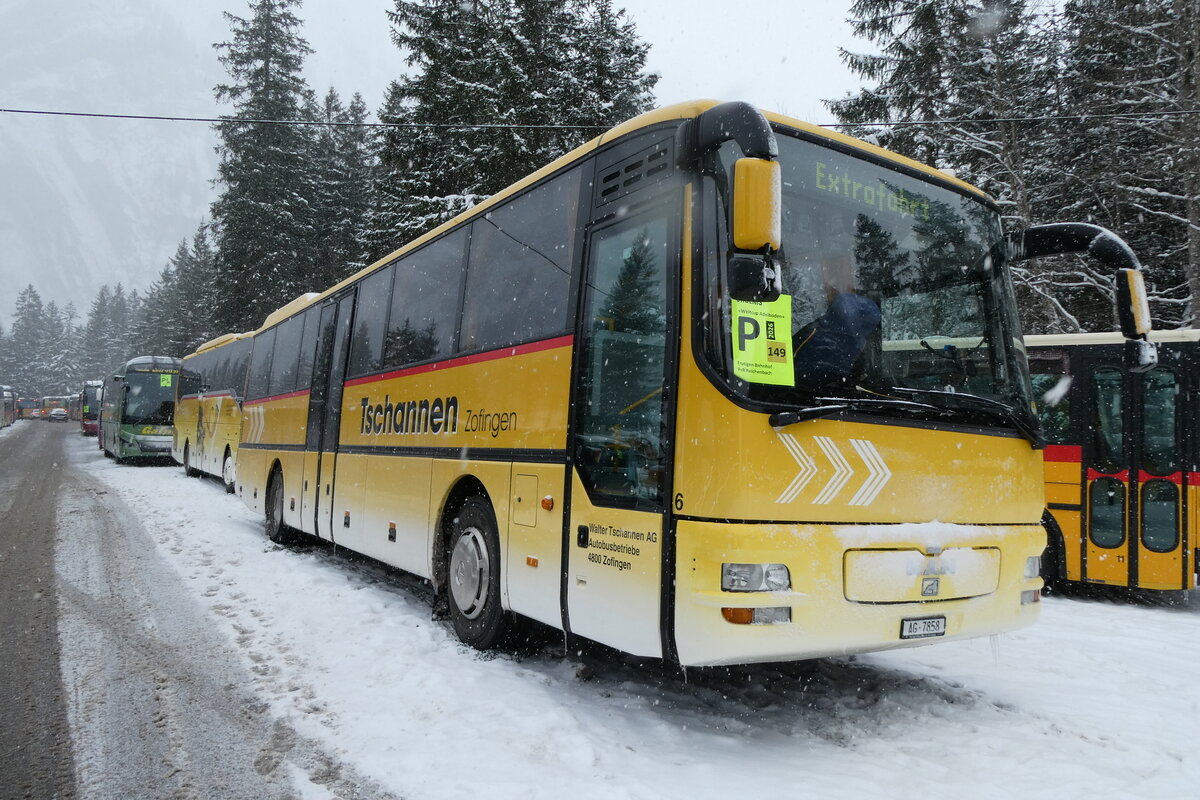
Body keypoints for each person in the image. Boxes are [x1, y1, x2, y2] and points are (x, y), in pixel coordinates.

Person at [791, 253, 880, 387]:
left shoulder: (813, 331)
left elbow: (789, 368)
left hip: (798, 400)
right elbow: (858, 379)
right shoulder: (860, 345)